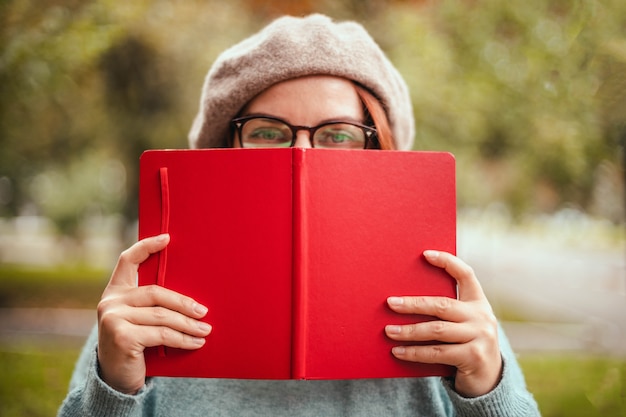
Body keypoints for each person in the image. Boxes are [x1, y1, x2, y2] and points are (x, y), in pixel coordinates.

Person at [58, 14, 541, 416]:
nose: (302, 157)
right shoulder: (146, 308)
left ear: (385, 154)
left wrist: (486, 390)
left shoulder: (448, 311)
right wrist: (113, 387)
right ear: (224, 149)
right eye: (269, 132)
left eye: (338, 134)